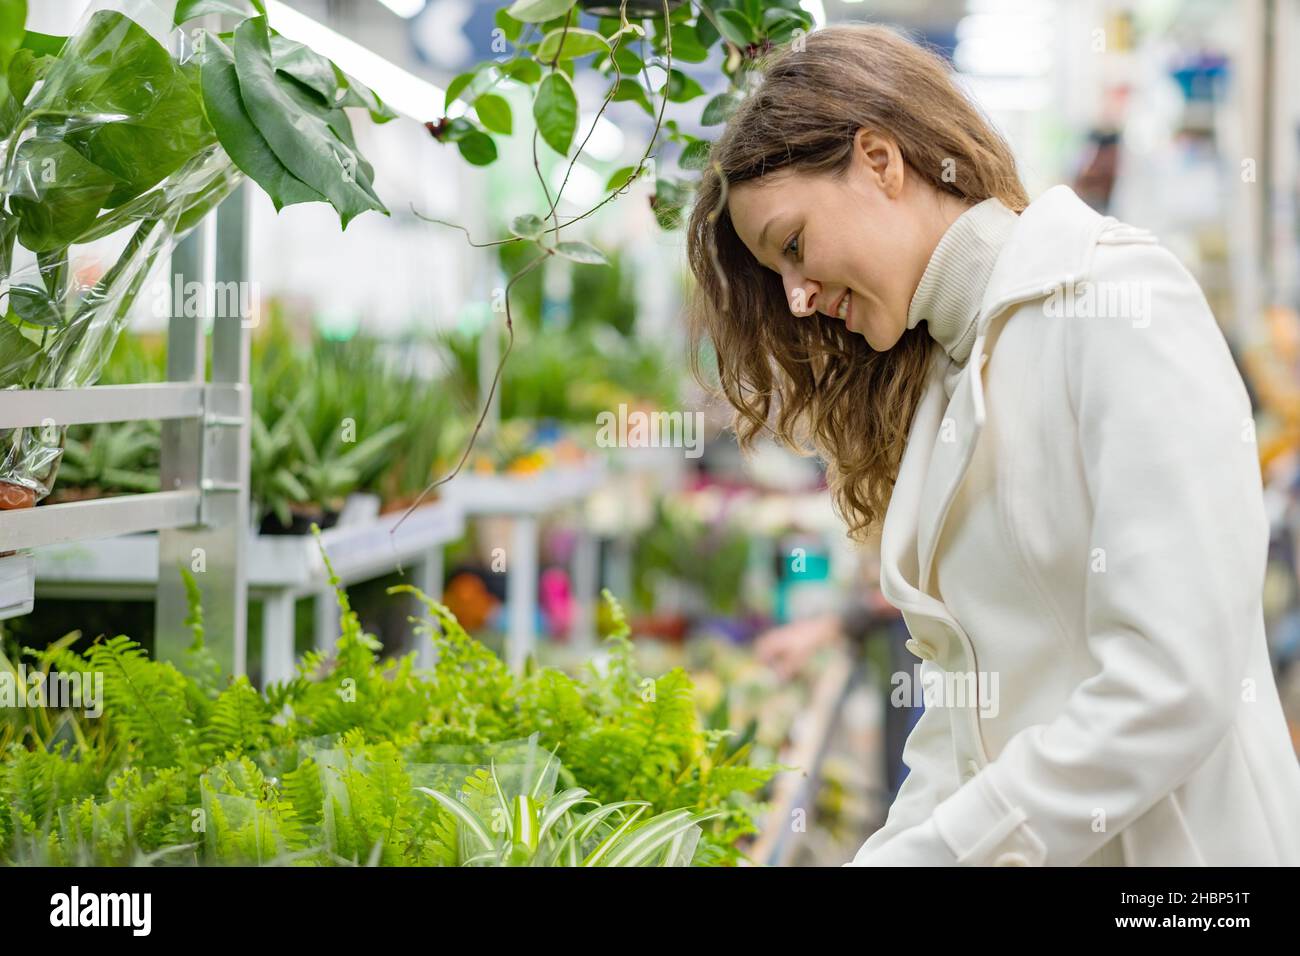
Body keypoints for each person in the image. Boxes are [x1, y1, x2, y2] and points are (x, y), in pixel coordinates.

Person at [685, 23, 1300, 866]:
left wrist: (937, 856)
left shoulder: (1118, 301)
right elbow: (962, 727)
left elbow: (1173, 681)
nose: (796, 297)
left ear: (878, 159)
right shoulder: (940, 375)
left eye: (793, 247)